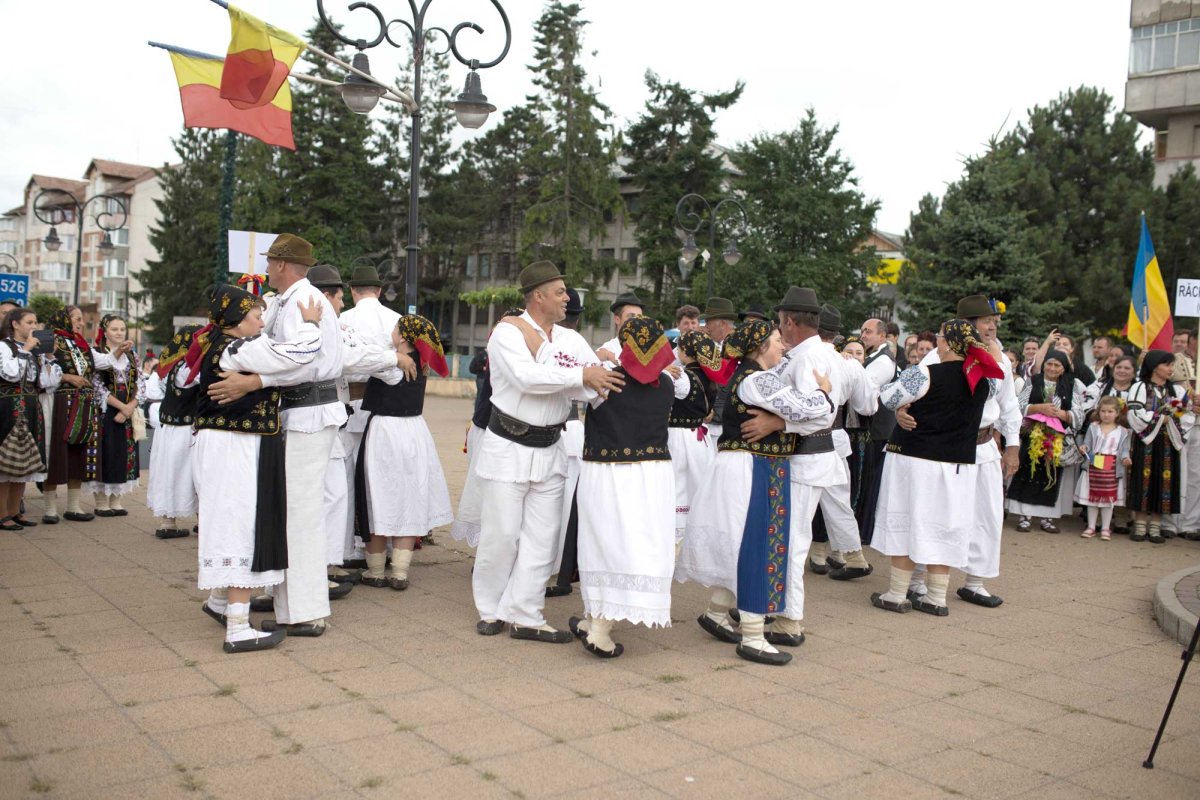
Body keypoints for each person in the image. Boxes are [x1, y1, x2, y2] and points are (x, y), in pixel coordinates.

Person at [471, 261, 622, 642]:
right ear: (538, 296)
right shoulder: (507, 332)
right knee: (502, 535)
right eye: (560, 292)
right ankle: (490, 608)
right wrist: (580, 376)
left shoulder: (570, 339)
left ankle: (526, 613)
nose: (567, 298)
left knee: (543, 538)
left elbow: (590, 382)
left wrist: (610, 375)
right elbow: (527, 378)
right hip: (508, 444)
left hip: (550, 446)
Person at [208, 234, 346, 638]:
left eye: (271, 262)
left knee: (300, 514)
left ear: (283, 265)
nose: (267, 267)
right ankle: (292, 601)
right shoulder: (289, 301)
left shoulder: (307, 303)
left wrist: (253, 381)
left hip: (308, 410)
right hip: (300, 410)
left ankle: (303, 611)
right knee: (292, 511)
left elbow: (299, 362)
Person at [677, 319, 834, 665]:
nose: (783, 346)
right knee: (757, 544)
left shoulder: (755, 379)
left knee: (746, 542)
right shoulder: (757, 379)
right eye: (777, 340)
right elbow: (808, 409)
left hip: (753, 465)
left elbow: (801, 415)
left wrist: (781, 422)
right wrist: (824, 393)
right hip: (752, 468)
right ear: (760, 346)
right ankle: (752, 635)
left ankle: (718, 612)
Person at [188, 283, 324, 653]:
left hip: (231, 445)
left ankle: (221, 603)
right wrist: (311, 323)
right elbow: (300, 353)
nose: (262, 319)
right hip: (234, 448)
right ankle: (237, 627)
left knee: (235, 520)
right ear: (236, 321)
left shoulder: (225, 345)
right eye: (256, 315)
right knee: (241, 525)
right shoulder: (239, 348)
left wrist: (254, 385)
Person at [870, 319, 1001, 616]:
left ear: (947, 343)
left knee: (907, 520)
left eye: (941, 337)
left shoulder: (924, 373)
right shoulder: (985, 380)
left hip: (916, 459)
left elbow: (888, 396)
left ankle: (896, 593)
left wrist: (902, 408)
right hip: (958, 465)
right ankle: (936, 597)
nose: (937, 342)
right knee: (944, 526)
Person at [569, 316, 680, 658]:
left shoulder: (606, 380)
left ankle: (599, 626)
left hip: (607, 473)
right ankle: (595, 622)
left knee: (607, 542)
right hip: (651, 475)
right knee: (636, 544)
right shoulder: (668, 384)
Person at [900, 296, 1021, 607]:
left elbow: (1009, 406)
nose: (992, 325)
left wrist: (1013, 446)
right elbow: (909, 386)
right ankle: (918, 580)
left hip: (983, 447)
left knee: (986, 516)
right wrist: (901, 410)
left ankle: (975, 582)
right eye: (985, 321)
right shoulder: (938, 356)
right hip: (946, 448)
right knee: (936, 513)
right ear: (968, 326)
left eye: (995, 320)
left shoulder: (1002, 360)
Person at [356, 315, 453, 591]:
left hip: (386, 432)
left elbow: (363, 359)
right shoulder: (422, 365)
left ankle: (375, 570)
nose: (392, 331)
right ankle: (399, 571)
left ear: (403, 336)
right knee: (409, 495)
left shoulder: (392, 364)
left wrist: (393, 357)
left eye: (396, 328)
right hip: (414, 432)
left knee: (379, 495)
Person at [337, 265, 405, 569]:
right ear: (378, 291)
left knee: (347, 477)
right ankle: (387, 543)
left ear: (352, 291)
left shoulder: (342, 319)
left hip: (348, 404)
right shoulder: (397, 320)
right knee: (384, 476)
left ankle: (351, 545)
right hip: (386, 407)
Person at [807, 304, 876, 580]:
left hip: (805, 438)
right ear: (836, 335)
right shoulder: (848, 364)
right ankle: (854, 556)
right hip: (834, 437)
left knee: (800, 504)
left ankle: (795, 556)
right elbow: (868, 406)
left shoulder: (801, 357)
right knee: (838, 500)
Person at [41, 306, 124, 523]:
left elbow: (99, 362)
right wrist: (67, 377)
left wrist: (118, 351)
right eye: (77, 318)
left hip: (84, 402)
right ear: (64, 319)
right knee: (57, 451)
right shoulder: (50, 340)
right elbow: (40, 370)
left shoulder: (80, 342)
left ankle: (73, 506)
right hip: (60, 401)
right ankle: (50, 509)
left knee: (79, 451)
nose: (80, 322)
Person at [1006, 351, 1085, 532]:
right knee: (1028, 474)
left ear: (1063, 368)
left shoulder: (1072, 385)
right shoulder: (1033, 381)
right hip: (1031, 435)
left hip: (1056, 438)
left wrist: (1063, 414)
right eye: (1049, 364)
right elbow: (1018, 405)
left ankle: (1047, 518)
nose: (1052, 368)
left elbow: (1079, 413)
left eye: (1057, 365)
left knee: (1051, 476)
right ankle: (1024, 517)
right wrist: (1039, 408)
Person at [1126, 350, 1195, 543]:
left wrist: (1171, 420)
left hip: (1168, 443)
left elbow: (1186, 415)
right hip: (1145, 441)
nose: (1171, 369)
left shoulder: (1177, 392)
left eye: (1172, 365)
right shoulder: (1139, 387)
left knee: (1162, 482)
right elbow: (1135, 413)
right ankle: (1140, 525)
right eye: (1167, 365)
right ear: (1155, 366)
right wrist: (1158, 418)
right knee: (1143, 479)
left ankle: (1156, 526)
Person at [0, 308, 59, 530]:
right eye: (29, 322)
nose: (34, 326)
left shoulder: (34, 350)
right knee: (6, 460)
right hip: (8, 406)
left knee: (25, 461)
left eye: (36, 322)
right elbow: (10, 373)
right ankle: (2, 513)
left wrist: (49, 357)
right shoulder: (3, 347)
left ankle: (15, 511)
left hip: (31, 406)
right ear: (15, 324)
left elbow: (48, 383)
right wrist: (25, 351)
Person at [145, 324, 203, 539]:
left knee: (171, 472)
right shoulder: (189, 368)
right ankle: (199, 520)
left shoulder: (171, 364)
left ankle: (168, 521)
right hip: (186, 428)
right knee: (191, 473)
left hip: (169, 427)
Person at [667, 330, 720, 544]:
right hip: (699, 437)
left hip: (680, 438)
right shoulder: (707, 376)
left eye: (679, 348)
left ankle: (676, 538)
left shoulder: (683, 377)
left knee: (678, 485)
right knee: (696, 485)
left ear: (686, 352)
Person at [89, 315, 145, 516]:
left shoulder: (133, 356)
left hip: (127, 408)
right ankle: (101, 501)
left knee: (125, 452)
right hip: (106, 410)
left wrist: (130, 407)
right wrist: (121, 407)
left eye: (122, 329)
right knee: (106, 452)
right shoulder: (97, 353)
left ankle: (116, 500)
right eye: (115, 329)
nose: (120, 333)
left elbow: (141, 384)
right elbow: (97, 386)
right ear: (105, 332)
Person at [856, 317, 898, 544]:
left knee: (870, 480)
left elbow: (864, 388)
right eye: (862, 331)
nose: (864, 335)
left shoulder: (883, 361)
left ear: (882, 336)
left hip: (878, 430)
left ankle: (866, 532)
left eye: (869, 331)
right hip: (872, 428)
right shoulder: (873, 356)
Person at [1075, 396, 1132, 541]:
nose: (1106, 415)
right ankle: (1091, 526)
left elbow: (1124, 449)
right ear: (1099, 412)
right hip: (1095, 464)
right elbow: (1087, 443)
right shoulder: (1093, 427)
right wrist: (1084, 448)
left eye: (1110, 411)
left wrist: (1125, 458)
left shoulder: (1123, 431)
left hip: (1112, 467)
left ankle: (1106, 528)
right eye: (1103, 411)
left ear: (1117, 413)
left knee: (1108, 500)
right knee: (1092, 499)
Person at [595, 292, 644, 362]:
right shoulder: (605, 353)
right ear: (617, 319)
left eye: (639, 317)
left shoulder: (650, 350)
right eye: (631, 316)